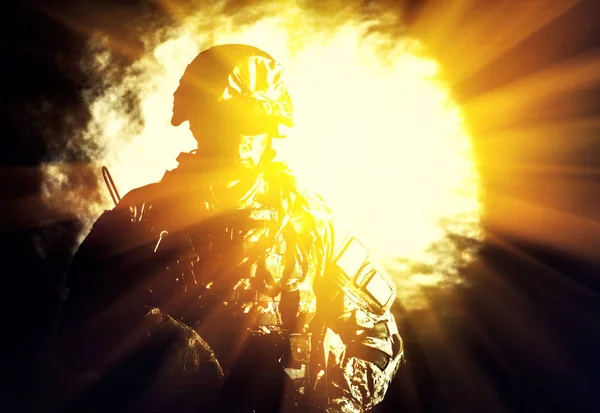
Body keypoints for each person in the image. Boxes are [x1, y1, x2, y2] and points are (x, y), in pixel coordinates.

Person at [58, 44, 404, 413]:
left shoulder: (308, 223)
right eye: (221, 122)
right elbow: (77, 335)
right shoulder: (143, 215)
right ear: (195, 122)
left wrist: (336, 404)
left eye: (248, 124)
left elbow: (378, 337)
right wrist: (169, 347)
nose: (237, 141)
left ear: (271, 128)